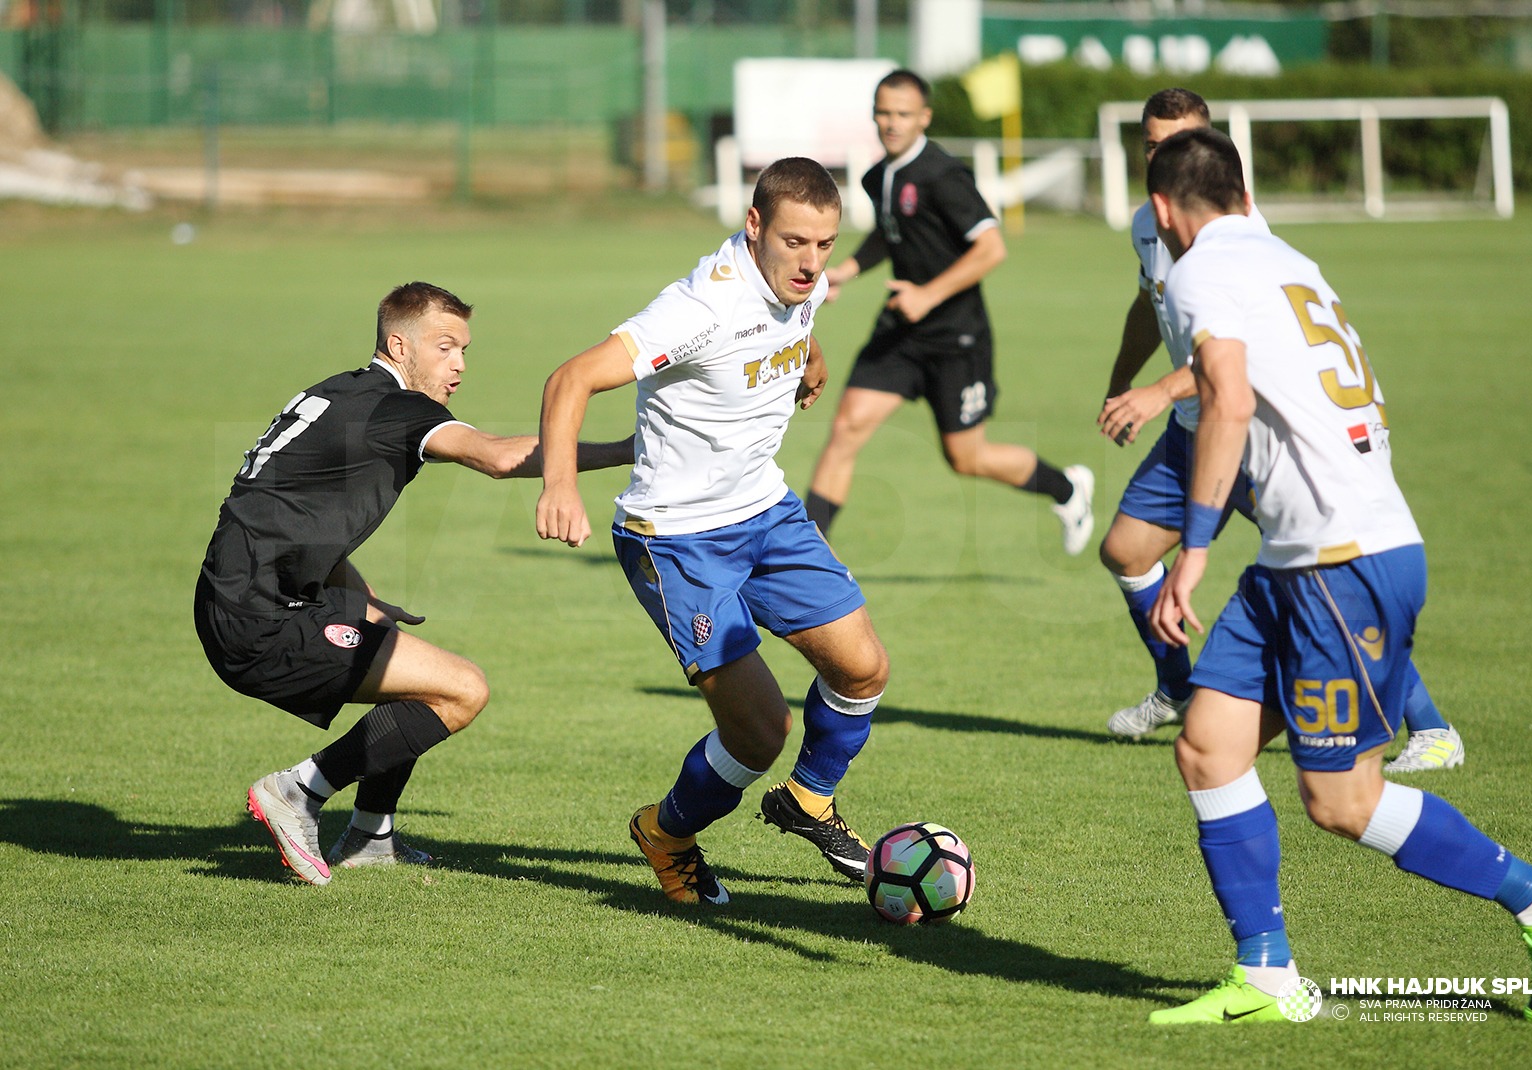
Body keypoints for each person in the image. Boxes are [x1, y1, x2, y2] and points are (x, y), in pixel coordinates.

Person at [1141, 127, 1532, 1024]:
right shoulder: (1286, 257)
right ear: (1241, 191)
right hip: (1299, 558)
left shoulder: (1199, 269)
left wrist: (1191, 548)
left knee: (1342, 801)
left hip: (1341, 562)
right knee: (1208, 747)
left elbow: (1227, 397)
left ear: (1163, 209)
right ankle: (1266, 977)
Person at [536, 158, 891, 906]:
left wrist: (810, 356)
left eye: (825, 244)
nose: (812, 262)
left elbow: (795, 317)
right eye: (795, 242)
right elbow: (571, 378)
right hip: (677, 540)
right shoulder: (699, 307)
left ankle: (809, 800)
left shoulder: (803, 280)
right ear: (754, 225)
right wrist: (560, 485)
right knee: (760, 733)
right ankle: (665, 833)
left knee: (862, 669)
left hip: (765, 511)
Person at [196, 282, 631, 885]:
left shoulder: (338, 392)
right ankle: (297, 791)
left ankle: (371, 834)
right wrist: (629, 449)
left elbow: (293, 508)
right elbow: (496, 455)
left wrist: (361, 598)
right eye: (444, 347)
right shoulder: (395, 409)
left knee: (403, 659)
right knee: (462, 691)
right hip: (259, 618)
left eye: (465, 350)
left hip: (237, 596)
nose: (459, 365)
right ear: (399, 346)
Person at [1097, 89, 1465, 778]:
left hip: (1254, 434)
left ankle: (1433, 726)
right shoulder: (1151, 222)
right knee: (1125, 549)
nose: (1163, 156)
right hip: (1192, 428)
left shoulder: (1236, 235)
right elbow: (1149, 302)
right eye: (1151, 145)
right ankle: (1177, 687)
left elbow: (1238, 364)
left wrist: (1157, 391)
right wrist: (1124, 379)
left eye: (1176, 142)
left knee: (1327, 574)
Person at [802, 68, 1094, 553]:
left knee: (966, 456)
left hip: (956, 336)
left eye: (903, 114)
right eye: (883, 113)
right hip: (901, 330)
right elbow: (892, 232)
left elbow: (991, 248)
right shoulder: (879, 176)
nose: (891, 123)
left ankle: (1067, 489)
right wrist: (846, 271)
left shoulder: (944, 176)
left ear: (924, 117)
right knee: (847, 427)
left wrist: (928, 295)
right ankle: (808, 557)